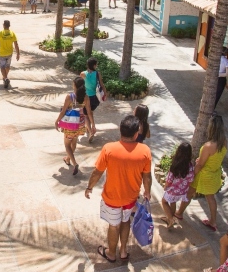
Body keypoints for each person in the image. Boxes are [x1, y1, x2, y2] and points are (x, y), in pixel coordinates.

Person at [84, 115, 152, 262]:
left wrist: (89, 187)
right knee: (125, 221)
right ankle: (123, 251)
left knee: (114, 225)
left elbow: (97, 172)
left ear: (120, 132)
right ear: (136, 134)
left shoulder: (109, 149)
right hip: (131, 198)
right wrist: (147, 191)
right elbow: (147, 176)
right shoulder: (145, 151)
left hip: (112, 198)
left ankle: (111, 253)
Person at [190, 113, 228, 231]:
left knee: (189, 191)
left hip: (204, 175)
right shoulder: (224, 142)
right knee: (210, 198)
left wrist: (193, 174)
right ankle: (212, 221)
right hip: (214, 174)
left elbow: (200, 164)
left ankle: (179, 212)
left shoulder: (208, 146)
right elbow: (214, 159)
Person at [55, 77, 93, 176]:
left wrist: (57, 121)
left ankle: (75, 163)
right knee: (74, 142)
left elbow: (63, 111)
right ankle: (68, 159)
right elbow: (89, 112)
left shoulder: (70, 97)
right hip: (80, 124)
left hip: (70, 124)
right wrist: (92, 125)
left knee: (67, 144)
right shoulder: (86, 97)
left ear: (75, 86)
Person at [160, 142, 194, 228]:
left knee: (164, 202)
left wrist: (165, 186)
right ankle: (169, 218)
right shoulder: (190, 166)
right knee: (173, 202)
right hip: (182, 191)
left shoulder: (175, 165)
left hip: (172, 190)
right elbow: (190, 179)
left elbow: (169, 180)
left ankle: (171, 219)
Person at [80, 57, 106, 139]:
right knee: (90, 112)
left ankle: (91, 131)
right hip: (95, 98)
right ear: (94, 65)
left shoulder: (83, 74)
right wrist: (105, 93)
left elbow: (80, 85)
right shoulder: (97, 74)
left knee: (86, 115)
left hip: (86, 97)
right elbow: (101, 84)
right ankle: (89, 128)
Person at [0, 20, 19, 89]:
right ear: (9, 26)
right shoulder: (12, 34)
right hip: (9, 53)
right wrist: (18, 53)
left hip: (2, 53)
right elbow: (16, 44)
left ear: (3, 25)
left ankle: (5, 78)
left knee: (2, 67)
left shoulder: (0, 33)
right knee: (7, 66)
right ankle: (5, 78)